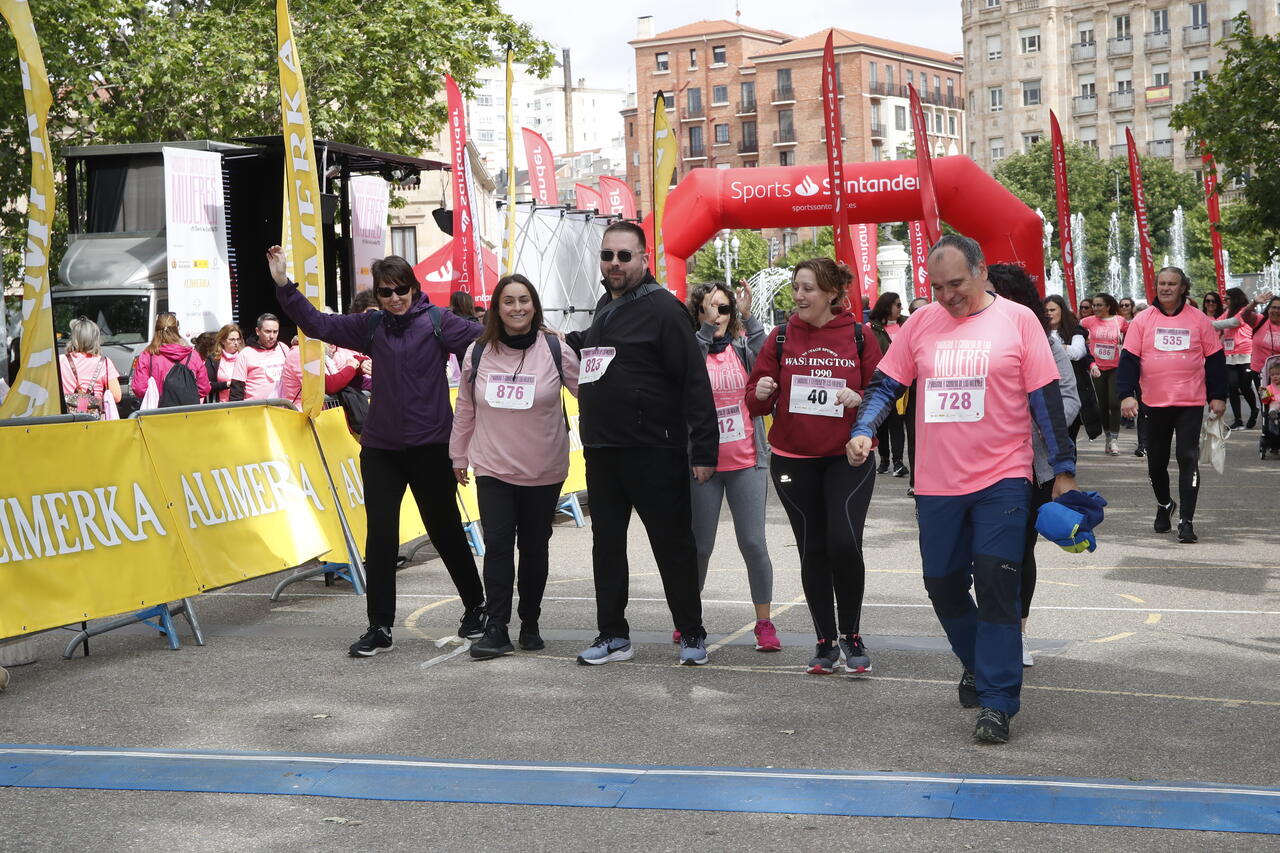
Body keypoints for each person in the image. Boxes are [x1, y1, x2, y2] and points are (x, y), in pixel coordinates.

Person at [847, 235, 1077, 744]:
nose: (947, 295)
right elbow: (887, 385)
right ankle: (978, 662)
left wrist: (1062, 470)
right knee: (943, 583)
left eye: (956, 284)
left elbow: (1045, 403)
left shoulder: (1018, 322)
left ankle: (997, 702)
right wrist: (864, 429)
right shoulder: (922, 324)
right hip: (937, 482)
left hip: (1004, 476)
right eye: (937, 286)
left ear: (981, 272)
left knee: (997, 583)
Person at [267, 246, 487, 657]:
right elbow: (316, 323)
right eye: (386, 292)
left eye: (401, 289)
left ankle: (476, 607)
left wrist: (537, 333)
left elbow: (489, 341)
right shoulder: (370, 326)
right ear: (378, 296)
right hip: (382, 448)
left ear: (414, 288)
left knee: (445, 531)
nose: (395, 298)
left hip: (431, 446)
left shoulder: (440, 322)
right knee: (381, 537)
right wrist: (283, 284)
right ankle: (379, 627)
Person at [564, 220, 717, 667]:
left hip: (655, 451)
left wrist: (705, 451)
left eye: (624, 256)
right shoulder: (603, 307)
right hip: (603, 451)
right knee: (606, 547)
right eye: (607, 255)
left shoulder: (665, 310)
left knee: (672, 546)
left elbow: (694, 383)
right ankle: (612, 635)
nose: (614, 263)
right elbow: (600, 354)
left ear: (644, 259)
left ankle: (691, 632)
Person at [746, 258, 883, 675]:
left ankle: (852, 634)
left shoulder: (860, 336)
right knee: (813, 549)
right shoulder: (781, 336)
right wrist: (764, 390)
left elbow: (881, 393)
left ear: (830, 294)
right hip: (793, 460)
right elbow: (754, 400)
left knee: (843, 541)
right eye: (796, 288)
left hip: (848, 457)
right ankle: (825, 642)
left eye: (807, 288)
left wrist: (860, 400)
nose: (799, 296)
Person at [451, 274, 581, 659]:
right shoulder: (477, 352)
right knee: (497, 547)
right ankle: (496, 627)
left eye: (524, 300)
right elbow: (465, 408)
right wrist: (458, 455)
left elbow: (589, 392)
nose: (518, 308)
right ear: (496, 308)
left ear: (535, 305)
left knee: (535, 547)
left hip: (544, 468)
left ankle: (530, 621)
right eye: (509, 301)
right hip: (493, 467)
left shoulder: (555, 349)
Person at [988, 265, 1080, 669]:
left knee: (1018, 552)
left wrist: (1028, 417)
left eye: (992, 292)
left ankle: (1016, 633)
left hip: (1031, 466)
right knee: (983, 556)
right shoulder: (970, 337)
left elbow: (1068, 399)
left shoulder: (1044, 341)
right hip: (977, 464)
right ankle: (991, 627)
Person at [686, 280, 779, 652]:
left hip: (746, 459)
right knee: (700, 546)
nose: (718, 316)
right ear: (698, 313)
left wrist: (749, 316)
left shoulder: (742, 347)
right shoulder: (692, 347)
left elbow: (766, 358)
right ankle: (689, 617)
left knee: (754, 542)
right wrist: (707, 327)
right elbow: (689, 366)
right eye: (710, 309)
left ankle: (765, 623)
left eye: (724, 309)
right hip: (704, 466)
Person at [1118, 267, 1227, 544]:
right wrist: (1126, 395)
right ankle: (1165, 504)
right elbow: (1129, 359)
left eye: (1172, 284)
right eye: (1162, 283)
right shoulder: (1143, 320)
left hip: (1189, 402)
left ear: (1182, 288)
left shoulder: (1198, 319)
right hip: (1154, 403)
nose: (1166, 288)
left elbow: (1215, 358)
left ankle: (1186, 521)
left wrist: (1218, 395)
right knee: (1156, 462)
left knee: (1187, 457)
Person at [1045, 295, 1100, 445]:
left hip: (1071, 389)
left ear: (1062, 311)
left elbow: (1077, 352)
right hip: (1046, 388)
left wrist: (1049, 346)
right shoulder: (1039, 330)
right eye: (1046, 310)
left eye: (1052, 310)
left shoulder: (1075, 330)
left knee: (1069, 438)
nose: (1049, 313)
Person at [1080, 293, 1128, 456]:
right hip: (1096, 368)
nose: (1095, 308)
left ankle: (1114, 440)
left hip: (1116, 367)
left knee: (1115, 404)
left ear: (1108, 306)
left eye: (1099, 305)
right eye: (1094, 305)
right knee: (1102, 405)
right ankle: (1108, 437)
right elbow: (1077, 336)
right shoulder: (1087, 321)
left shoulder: (1119, 321)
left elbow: (1132, 336)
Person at [868, 292, 908, 477]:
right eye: (897, 305)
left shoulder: (906, 324)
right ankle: (884, 460)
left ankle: (898, 461)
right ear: (886, 306)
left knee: (897, 423)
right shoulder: (870, 328)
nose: (901, 309)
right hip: (881, 382)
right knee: (881, 424)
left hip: (904, 382)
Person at [130, 313, 211, 404]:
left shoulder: (148, 356)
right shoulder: (193, 355)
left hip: (157, 412)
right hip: (188, 412)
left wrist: (156, 396)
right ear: (177, 329)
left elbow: (139, 388)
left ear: (156, 329)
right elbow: (204, 388)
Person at [1212, 287, 1259, 430]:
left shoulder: (1245, 312)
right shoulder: (1227, 312)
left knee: (1245, 386)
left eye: (1227, 299)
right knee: (1232, 386)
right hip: (1229, 354)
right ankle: (1238, 419)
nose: (1225, 301)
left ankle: (1254, 410)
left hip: (1245, 354)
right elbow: (1216, 325)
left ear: (1235, 299)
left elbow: (1233, 322)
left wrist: (1204, 323)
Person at [59, 317, 122, 417]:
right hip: (93, 420)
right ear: (95, 338)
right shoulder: (104, 363)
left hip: (66, 418)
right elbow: (116, 396)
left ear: (74, 338)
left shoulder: (61, 360)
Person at [229, 313, 290, 401]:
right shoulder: (245, 354)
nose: (272, 336)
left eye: (275, 331)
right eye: (268, 331)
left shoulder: (283, 348)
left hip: (282, 409)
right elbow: (236, 391)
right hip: (255, 410)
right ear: (257, 331)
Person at [205, 323, 243, 403]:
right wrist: (227, 384)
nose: (236, 343)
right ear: (222, 341)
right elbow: (207, 385)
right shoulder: (213, 359)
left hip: (241, 404)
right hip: (220, 406)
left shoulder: (244, 357)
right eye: (232, 339)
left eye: (238, 339)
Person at [1252, 296, 1280, 380]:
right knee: (1264, 393)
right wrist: (1254, 303)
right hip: (1259, 374)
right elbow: (1244, 316)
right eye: (1274, 307)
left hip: (1278, 376)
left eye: (1279, 308)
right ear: (1268, 309)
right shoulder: (1260, 320)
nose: (1276, 310)